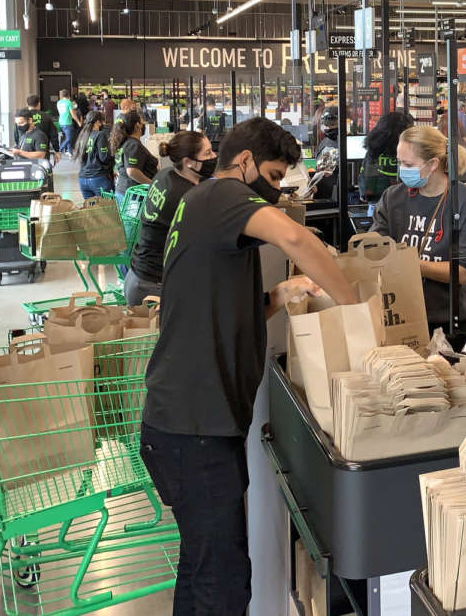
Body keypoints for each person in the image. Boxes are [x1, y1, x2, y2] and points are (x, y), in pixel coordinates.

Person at [140, 117, 357, 614]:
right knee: (225, 581)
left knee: (203, 566)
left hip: (183, 425)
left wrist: (281, 294)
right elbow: (299, 241)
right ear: (243, 163)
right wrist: (355, 307)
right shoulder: (221, 197)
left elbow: (216, 306)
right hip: (195, 430)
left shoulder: (201, 205)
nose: (278, 190)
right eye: (275, 176)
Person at [370, 126, 466, 334]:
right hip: (402, 315)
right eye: (399, 162)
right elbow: (376, 249)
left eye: (408, 164)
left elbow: (464, 273)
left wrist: (411, 264)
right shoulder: (393, 198)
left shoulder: (465, 202)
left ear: (433, 164)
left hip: (453, 320)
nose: (402, 169)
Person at [124, 131, 217, 305]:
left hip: (138, 275)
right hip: (152, 287)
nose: (214, 156)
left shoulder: (165, 175)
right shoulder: (185, 196)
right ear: (188, 162)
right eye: (208, 153)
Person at [360, 111, 412, 202]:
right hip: (404, 204)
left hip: (377, 205)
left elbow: (366, 189)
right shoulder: (409, 152)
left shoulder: (373, 151)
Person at [110, 111, 158, 199]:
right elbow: (132, 171)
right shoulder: (133, 145)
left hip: (123, 191)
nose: (144, 125)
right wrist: (152, 184)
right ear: (137, 125)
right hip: (134, 196)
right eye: (142, 122)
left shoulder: (123, 142)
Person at [74, 110, 114, 198]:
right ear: (97, 122)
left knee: (91, 210)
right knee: (107, 210)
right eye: (102, 121)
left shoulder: (82, 135)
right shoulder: (100, 135)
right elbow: (104, 158)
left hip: (83, 179)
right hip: (98, 178)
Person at [56, 89, 80, 155]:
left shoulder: (59, 102)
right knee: (69, 138)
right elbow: (73, 114)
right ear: (68, 95)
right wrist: (78, 121)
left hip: (61, 122)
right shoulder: (69, 102)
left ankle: (70, 152)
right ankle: (59, 150)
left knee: (67, 137)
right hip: (67, 122)